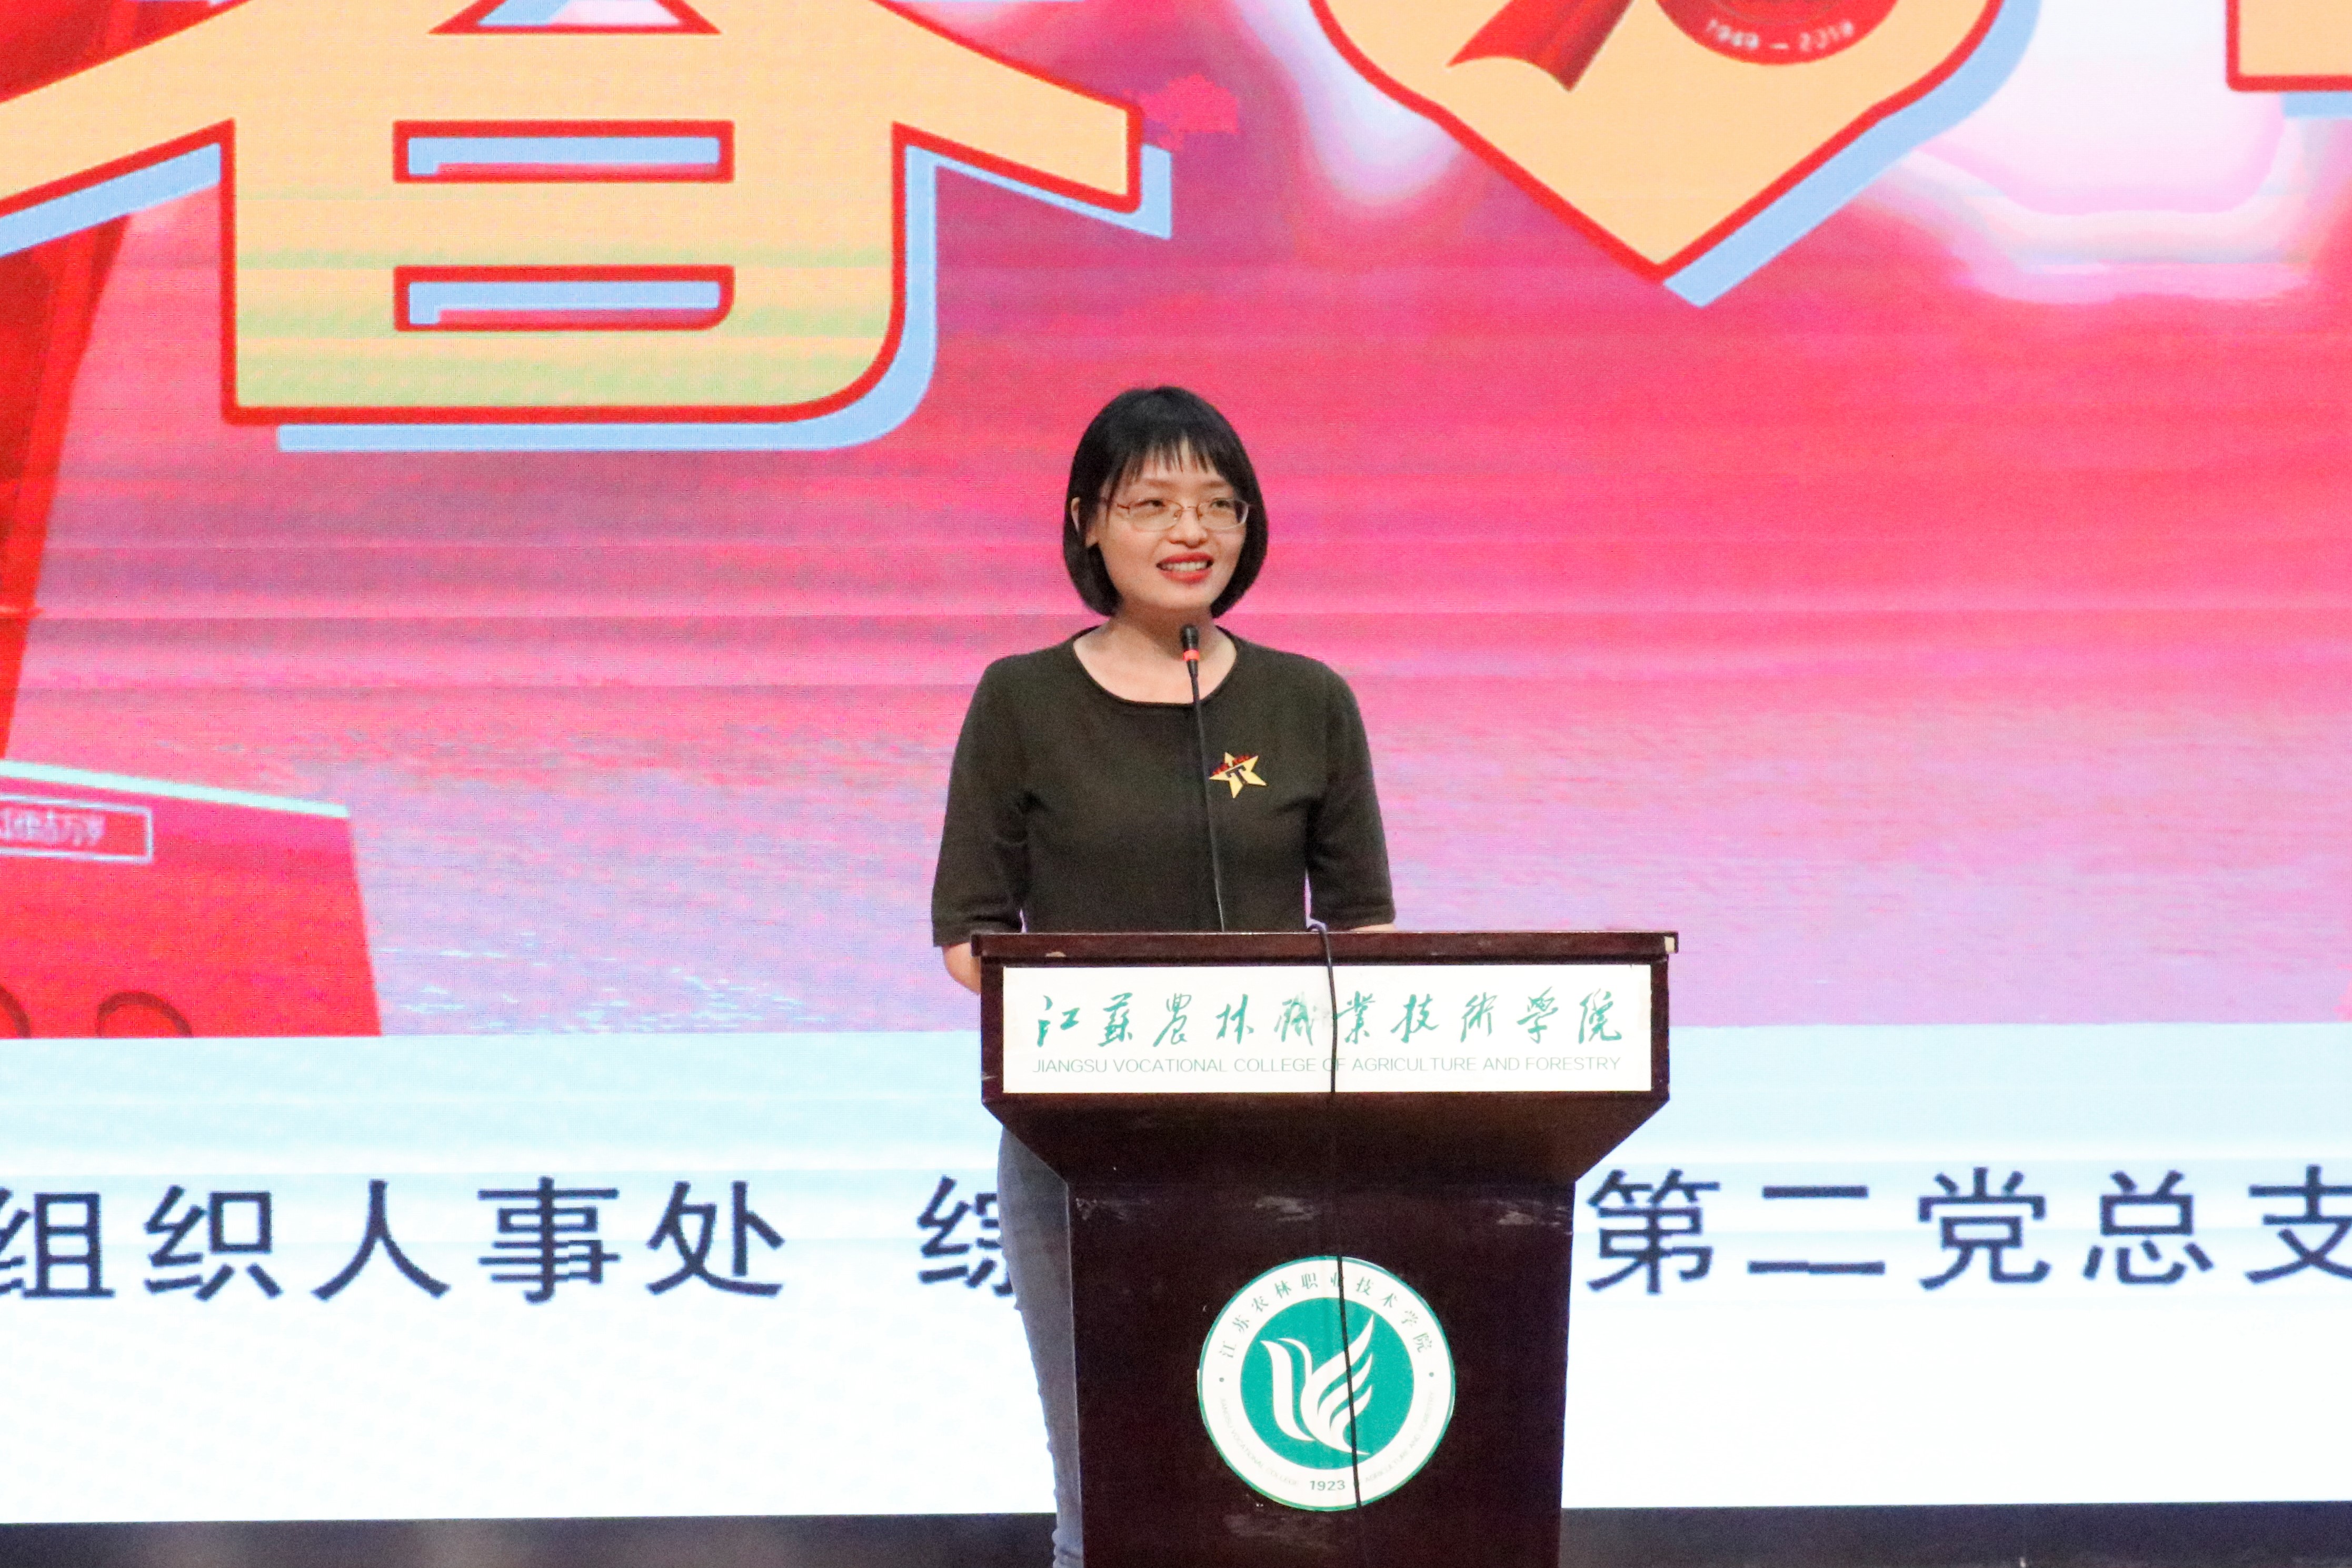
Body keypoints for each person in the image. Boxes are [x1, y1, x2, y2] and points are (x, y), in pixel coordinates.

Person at [930, 386, 1395, 1567]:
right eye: (1151, 504)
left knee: (1276, 1465)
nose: (1191, 530)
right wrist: (1119, 1013)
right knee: (1111, 1476)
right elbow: (971, 936)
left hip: (1275, 1132)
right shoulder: (1020, 700)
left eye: (1219, 504)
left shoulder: (1308, 701)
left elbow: (1364, 930)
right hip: (1077, 1137)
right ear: (1087, 521)